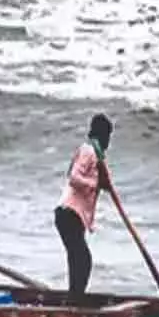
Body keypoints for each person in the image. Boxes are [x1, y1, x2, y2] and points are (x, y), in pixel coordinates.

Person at [55, 113, 115, 298]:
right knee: (82, 260)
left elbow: (102, 180)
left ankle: (74, 299)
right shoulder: (88, 150)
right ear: (101, 135)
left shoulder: (97, 157)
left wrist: (104, 183)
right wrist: (94, 185)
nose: (108, 142)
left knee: (78, 259)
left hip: (75, 217)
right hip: (69, 213)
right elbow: (74, 177)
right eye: (107, 137)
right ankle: (75, 301)